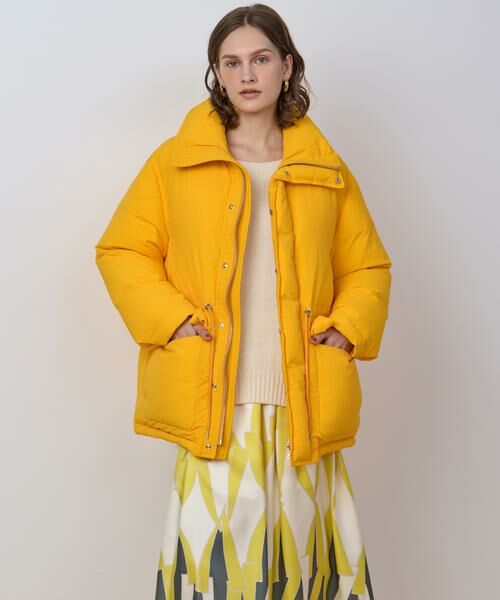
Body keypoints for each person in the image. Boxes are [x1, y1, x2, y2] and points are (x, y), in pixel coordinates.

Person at [95, 4, 392, 598]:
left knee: (301, 570)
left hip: (303, 404)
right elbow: (121, 250)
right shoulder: (175, 161)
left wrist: (349, 328)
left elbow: (367, 266)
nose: (246, 74)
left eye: (260, 59)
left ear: (287, 66)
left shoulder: (324, 168)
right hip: (214, 404)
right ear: (217, 73)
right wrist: (172, 320)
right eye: (230, 63)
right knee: (219, 573)